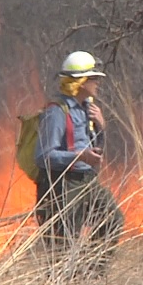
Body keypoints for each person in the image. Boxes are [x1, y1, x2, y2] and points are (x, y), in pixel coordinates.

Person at [34, 51, 124, 271]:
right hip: (63, 185)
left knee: (113, 219)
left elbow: (95, 148)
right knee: (64, 244)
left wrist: (101, 126)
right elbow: (44, 156)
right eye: (93, 78)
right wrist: (79, 156)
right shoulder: (56, 112)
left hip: (87, 180)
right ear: (80, 82)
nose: (97, 83)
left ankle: (92, 272)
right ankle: (67, 283)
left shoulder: (87, 109)